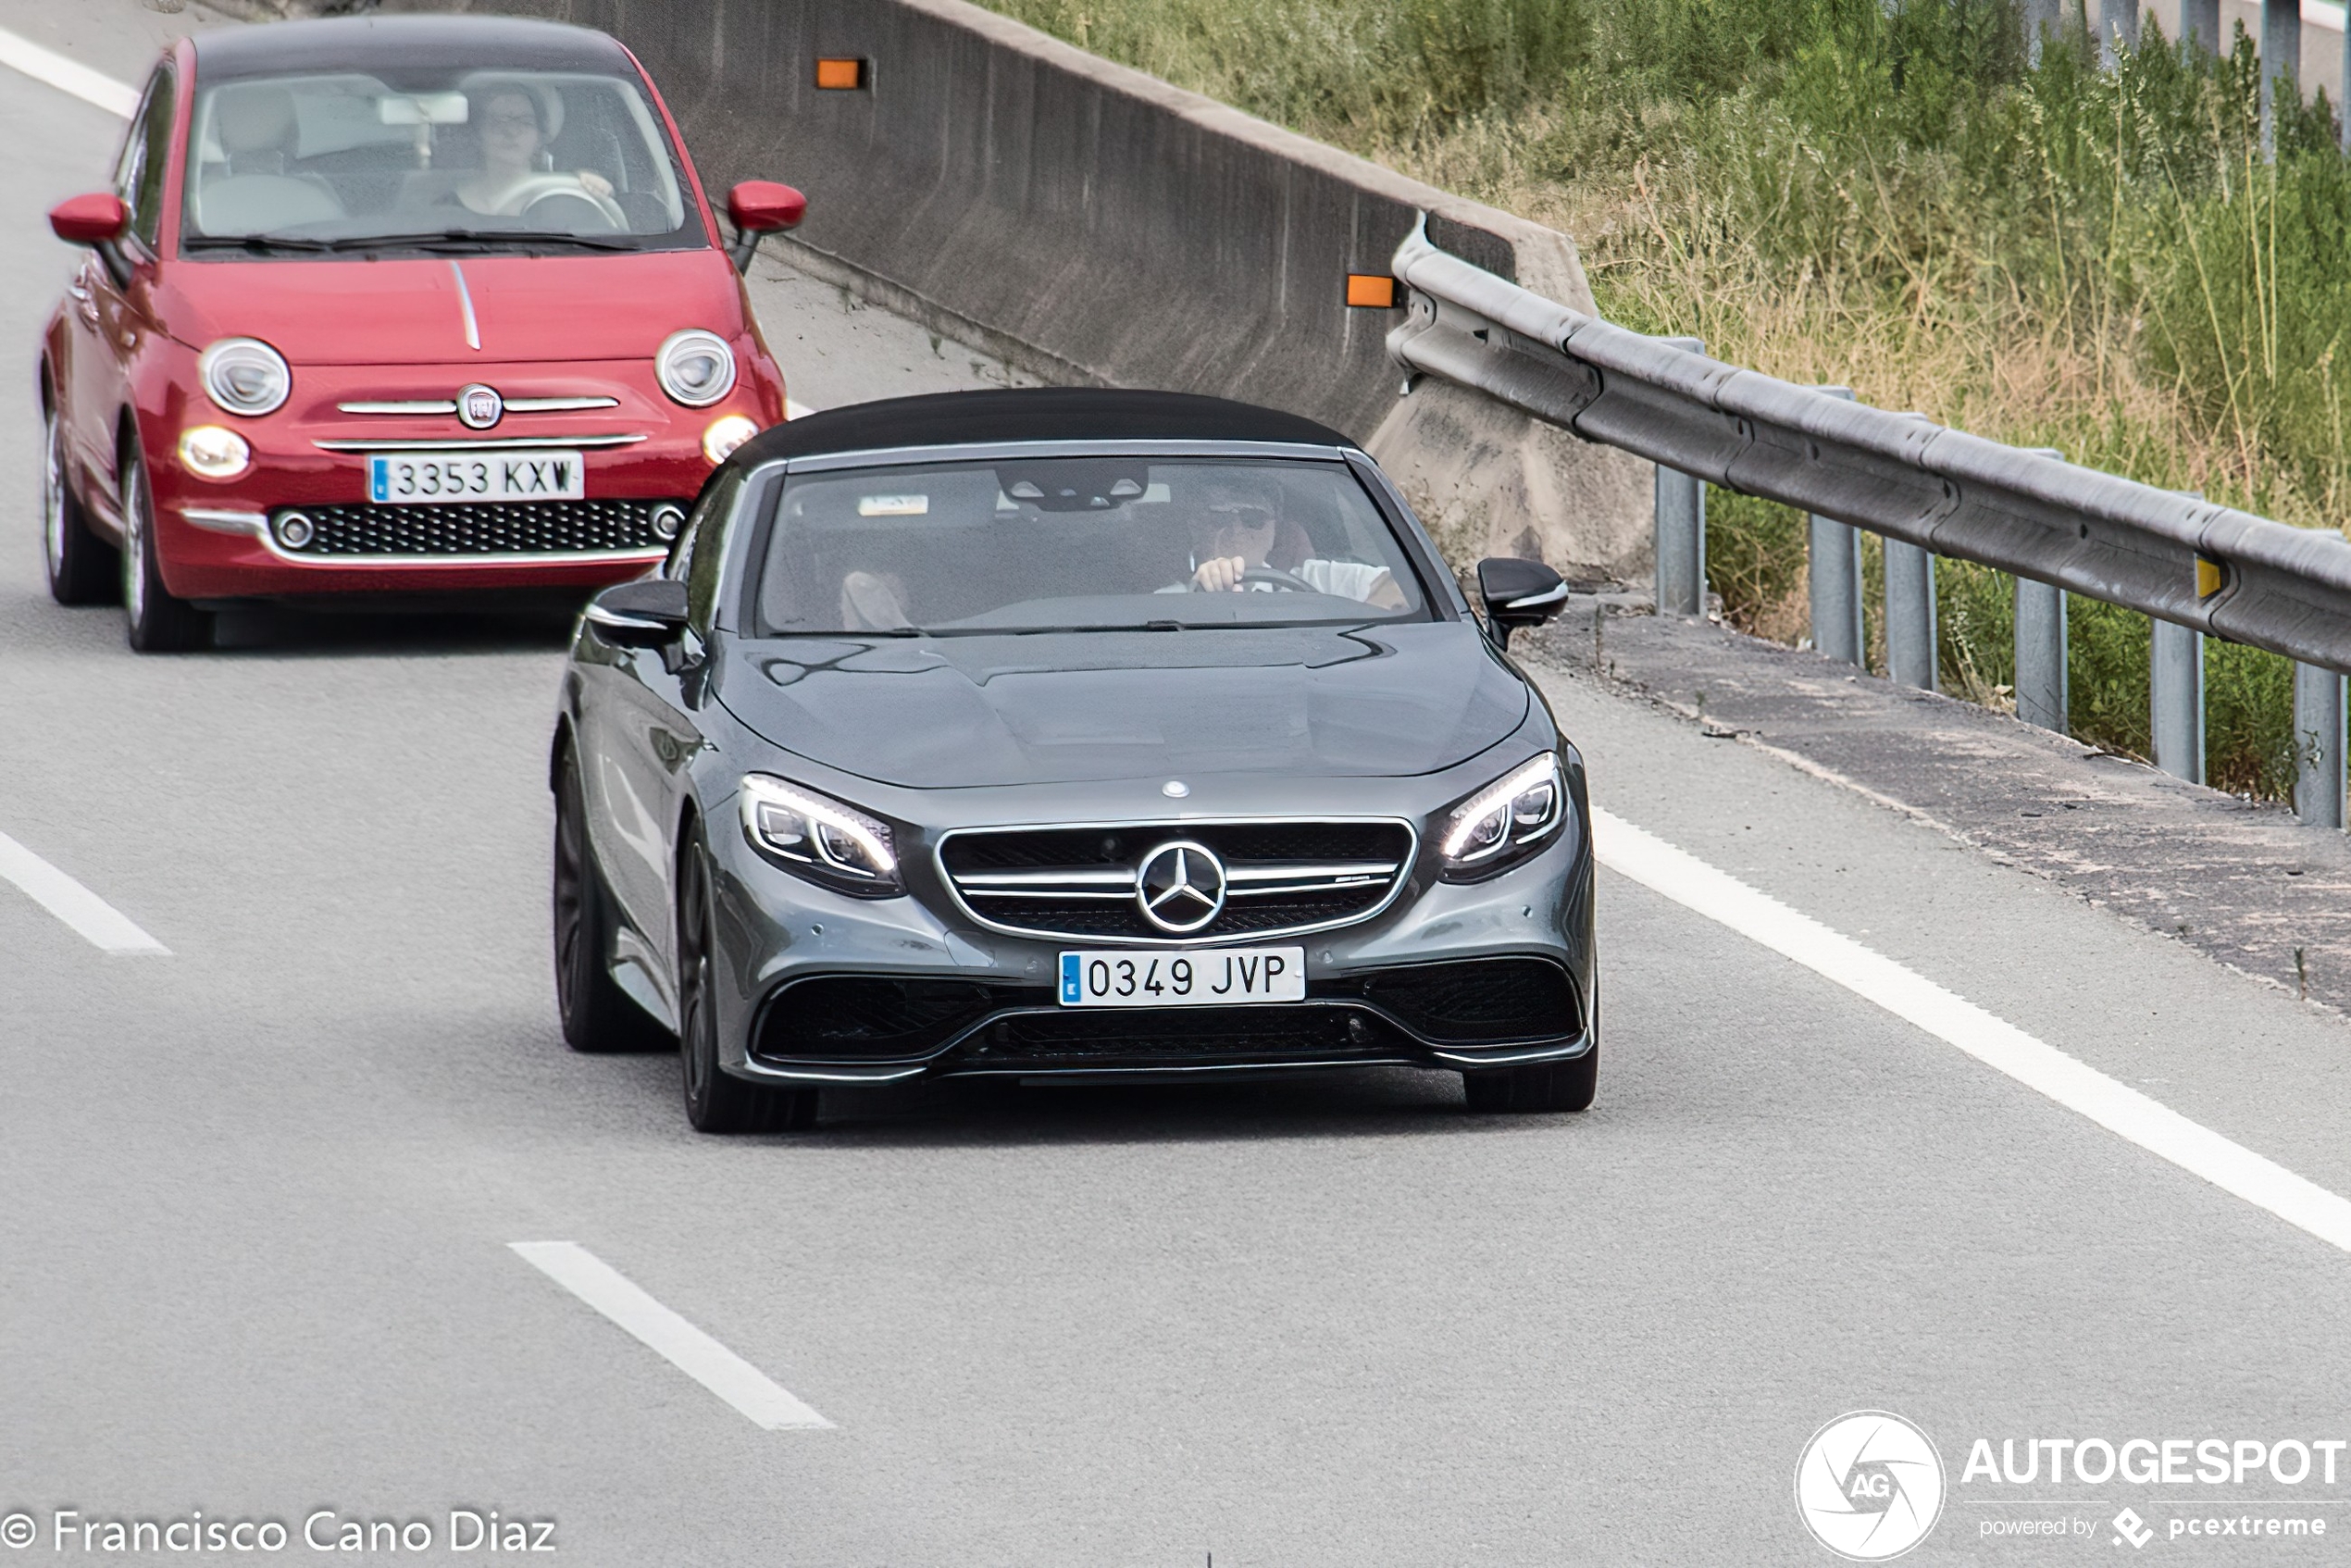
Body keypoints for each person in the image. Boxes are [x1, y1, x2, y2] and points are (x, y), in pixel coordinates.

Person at [1186, 478, 1406, 608]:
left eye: (1253, 518)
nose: (1237, 529)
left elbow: (1404, 589)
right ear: (1196, 526)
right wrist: (1200, 595)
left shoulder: (1318, 582)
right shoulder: (1170, 598)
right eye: (1219, 517)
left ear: (1274, 530)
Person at [443, 86, 614, 218]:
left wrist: (595, 189)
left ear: (540, 138)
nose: (511, 131)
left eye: (525, 122)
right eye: (498, 120)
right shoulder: (445, 205)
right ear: (477, 134)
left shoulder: (569, 195)